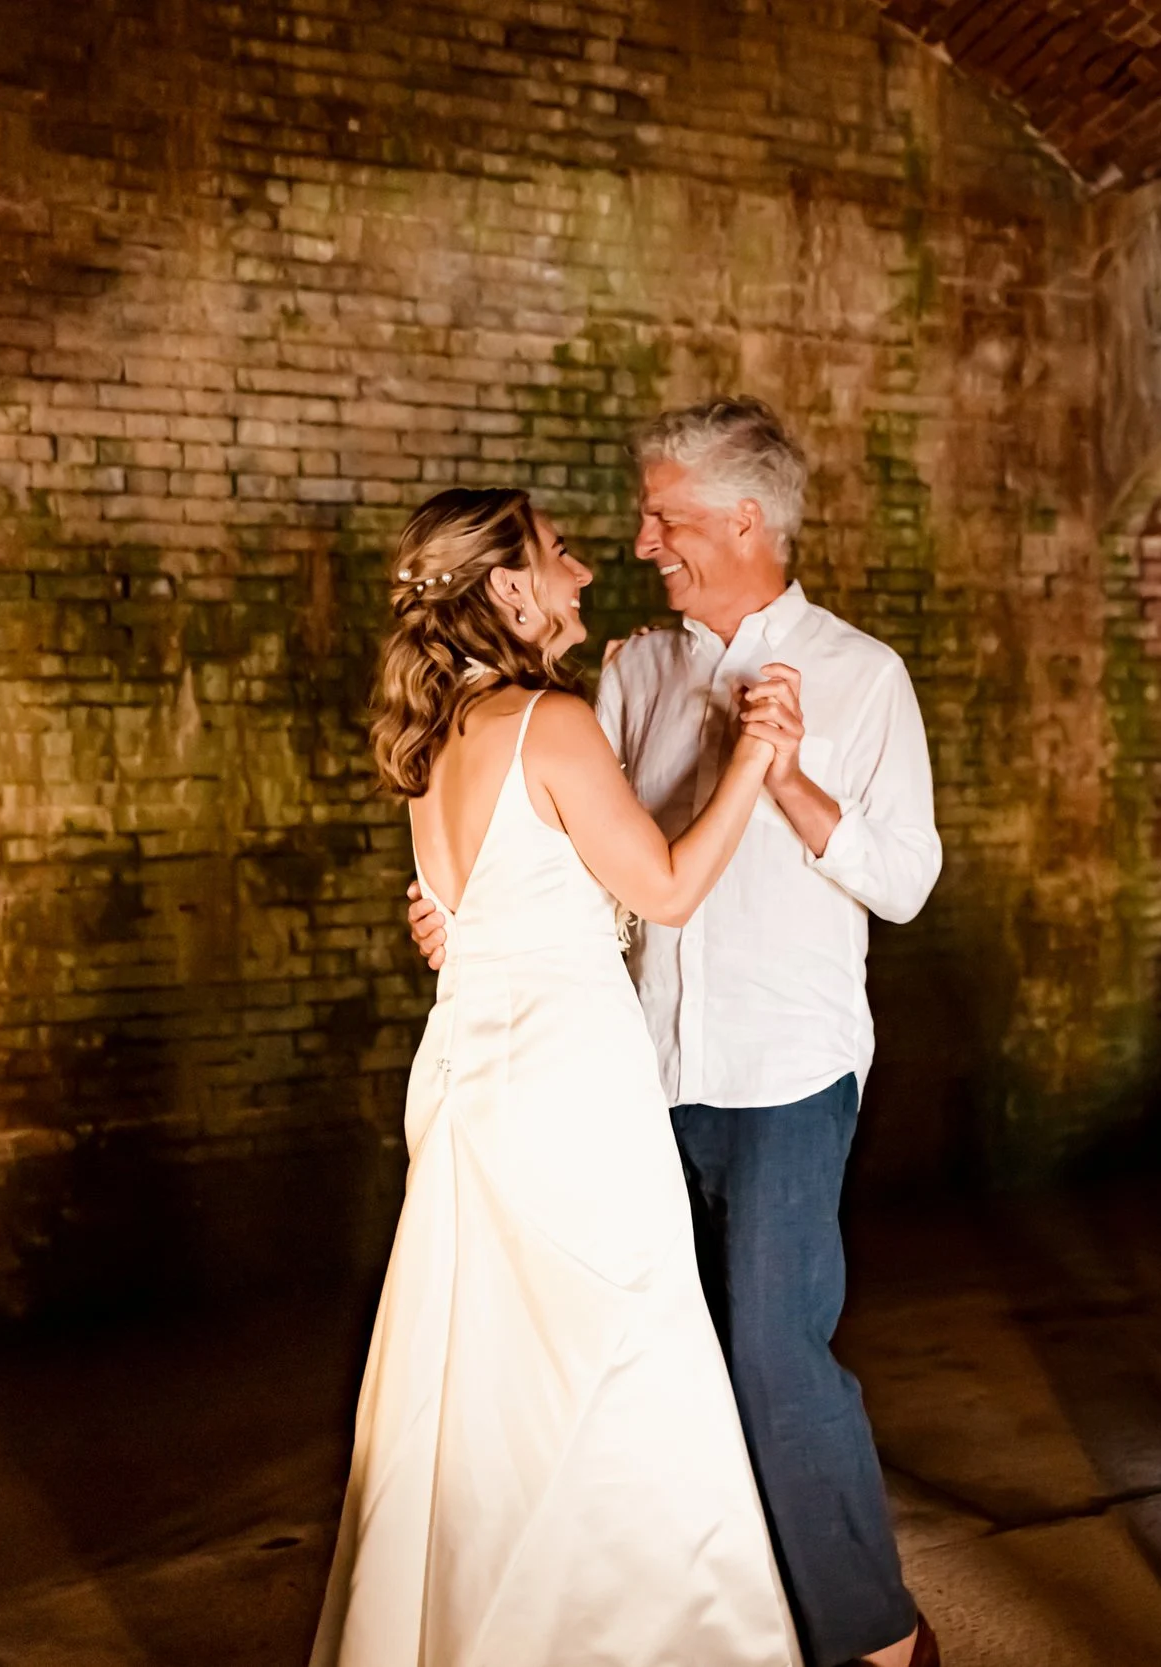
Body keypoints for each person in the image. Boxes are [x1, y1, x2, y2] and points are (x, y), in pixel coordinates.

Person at [408, 403, 943, 1667]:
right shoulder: (634, 670)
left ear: (747, 519)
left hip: (785, 1068)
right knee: (675, 1368)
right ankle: (729, 1619)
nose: (642, 539)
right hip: (638, 1070)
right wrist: (469, 916)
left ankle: (875, 1637)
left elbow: (907, 880)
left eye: (668, 517)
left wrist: (791, 771)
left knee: (771, 1344)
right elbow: (601, 863)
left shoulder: (862, 675)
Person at [318, 489, 801, 1666]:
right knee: (623, 1361)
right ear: (509, 587)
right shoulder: (551, 720)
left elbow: (465, 914)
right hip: (572, 1091)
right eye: (561, 555)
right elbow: (669, 889)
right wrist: (757, 757)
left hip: (473, 1083)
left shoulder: (433, 738)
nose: (585, 574)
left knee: (484, 1386)